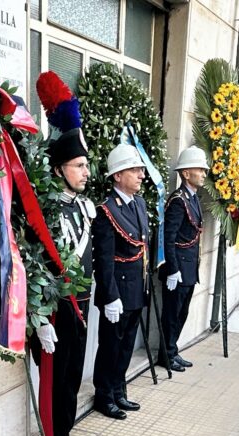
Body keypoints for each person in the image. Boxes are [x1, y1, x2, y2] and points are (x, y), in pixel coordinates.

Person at [30, 127, 95, 436]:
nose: (86, 173)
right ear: (58, 170)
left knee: (71, 377)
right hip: (55, 310)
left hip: (80, 303)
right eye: (79, 166)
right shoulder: (46, 210)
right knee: (55, 380)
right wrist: (39, 321)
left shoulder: (83, 208)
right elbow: (34, 265)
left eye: (86, 165)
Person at [91, 143, 150, 419]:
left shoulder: (138, 203)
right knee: (111, 346)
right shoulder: (106, 211)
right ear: (117, 176)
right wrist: (109, 296)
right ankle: (104, 395)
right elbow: (103, 261)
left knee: (126, 346)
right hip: (118, 292)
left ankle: (119, 390)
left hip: (136, 288)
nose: (141, 175)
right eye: (134, 170)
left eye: (140, 169)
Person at [159, 146, 208, 372]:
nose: (204, 174)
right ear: (186, 173)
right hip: (178, 268)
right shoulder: (178, 200)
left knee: (182, 312)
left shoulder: (193, 198)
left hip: (189, 268)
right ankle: (166, 355)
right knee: (172, 314)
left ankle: (173, 349)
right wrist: (172, 269)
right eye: (200, 169)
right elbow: (169, 238)